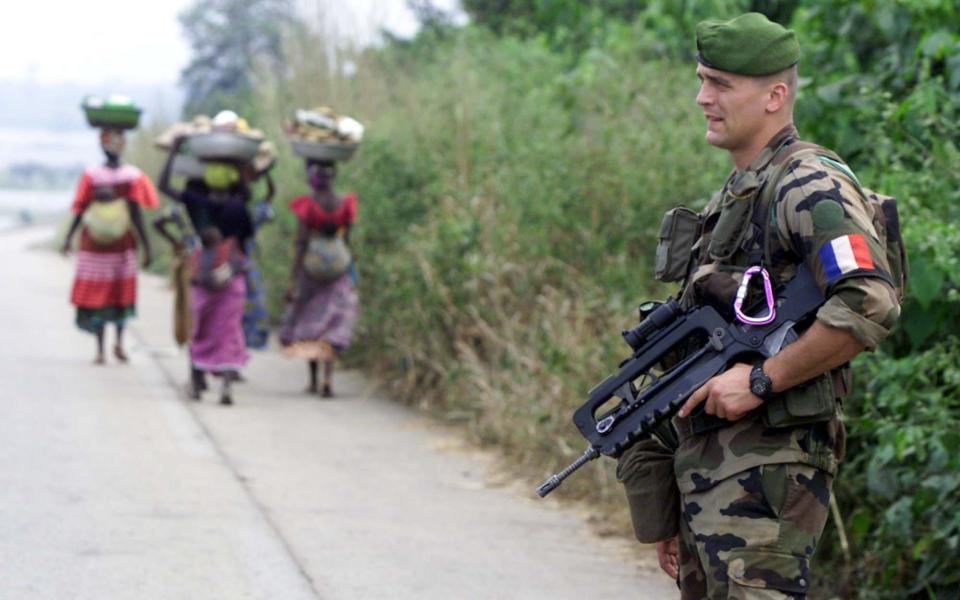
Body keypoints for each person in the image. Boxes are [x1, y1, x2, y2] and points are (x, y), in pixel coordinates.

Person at [621, 13, 902, 598]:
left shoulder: (808, 183)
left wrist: (762, 380)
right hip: (713, 472)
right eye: (701, 80)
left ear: (776, 95)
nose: (703, 97)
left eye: (721, 83)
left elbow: (869, 299)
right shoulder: (740, 189)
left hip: (768, 467)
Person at [158, 137, 255, 405]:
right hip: (232, 271)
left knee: (198, 327)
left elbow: (164, 185)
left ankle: (196, 382)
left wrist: (176, 149)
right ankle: (225, 385)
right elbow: (247, 233)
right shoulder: (239, 206)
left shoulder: (196, 201)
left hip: (201, 270)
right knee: (228, 329)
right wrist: (241, 162)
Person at [61, 128, 157, 364]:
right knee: (119, 295)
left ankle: (101, 350)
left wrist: (68, 238)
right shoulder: (132, 176)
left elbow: (80, 208)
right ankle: (118, 344)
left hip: (95, 246)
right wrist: (146, 246)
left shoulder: (91, 176)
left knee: (99, 296)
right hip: (122, 247)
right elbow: (137, 215)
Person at [278, 159, 359, 398]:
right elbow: (348, 240)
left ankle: (313, 380)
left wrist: (293, 279)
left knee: (311, 321)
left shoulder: (309, 206)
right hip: (338, 268)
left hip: (311, 271)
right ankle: (328, 378)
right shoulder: (345, 203)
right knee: (332, 324)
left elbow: (301, 243)